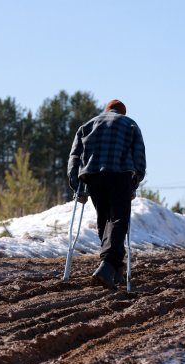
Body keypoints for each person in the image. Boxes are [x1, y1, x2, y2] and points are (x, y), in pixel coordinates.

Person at [67, 99, 146, 290]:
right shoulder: (130, 124)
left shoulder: (87, 125)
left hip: (93, 175)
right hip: (119, 174)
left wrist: (76, 184)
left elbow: (74, 156)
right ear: (122, 113)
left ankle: (115, 268)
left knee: (104, 218)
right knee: (118, 219)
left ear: (107, 110)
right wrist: (134, 182)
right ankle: (107, 266)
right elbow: (139, 157)